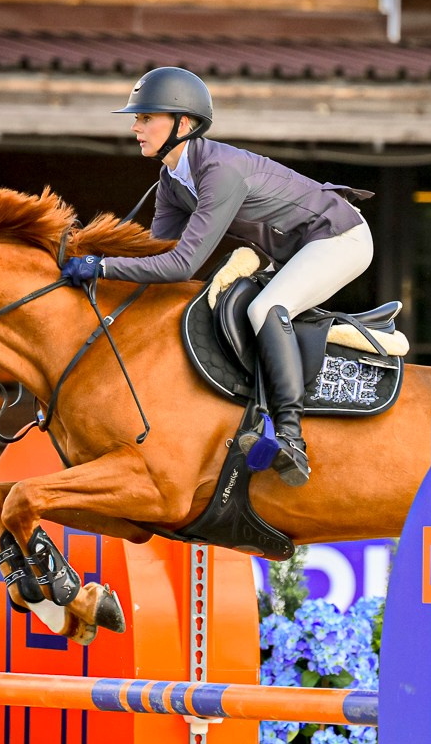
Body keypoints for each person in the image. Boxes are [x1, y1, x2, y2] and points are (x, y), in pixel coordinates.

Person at [61, 67, 374, 487]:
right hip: (295, 248)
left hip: (340, 235)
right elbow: (160, 255)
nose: (135, 127)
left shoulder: (219, 172)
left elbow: (181, 267)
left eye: (146, 118)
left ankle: (290, 438)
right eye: (137, 118)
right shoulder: (171, 181)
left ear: (182, 124)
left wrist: (101, 268)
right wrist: (98, 268)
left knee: (267, 307)